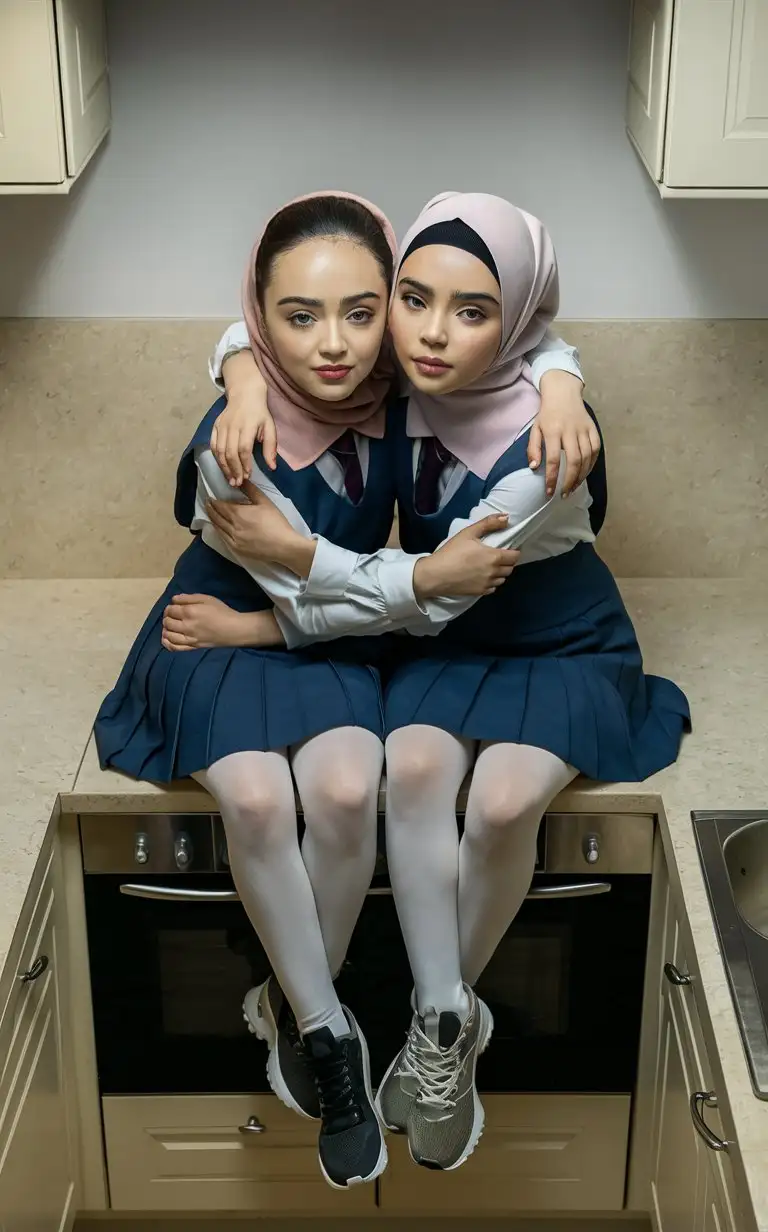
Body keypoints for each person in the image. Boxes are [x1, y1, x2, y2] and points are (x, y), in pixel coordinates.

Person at [173, 193, 689, 1177]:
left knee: (498, 804)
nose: (431, 331)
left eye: (473, 311)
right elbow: (287, 313)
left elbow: (434, 596)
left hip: (550, 639)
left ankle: (441, 1018)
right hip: (424, 635)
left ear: (520, 317)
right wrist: (240, 373)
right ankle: (348, 1014)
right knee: (406, 767)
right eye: (414, 301)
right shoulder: (389, 385)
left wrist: (565, 382)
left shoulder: (552, 430)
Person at [95, 192, 523, 1191]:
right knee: (254, 796)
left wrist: (558, 392)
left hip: (329, 634)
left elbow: (529, 343)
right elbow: (324, 586)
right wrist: (412, 582)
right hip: (217, 634)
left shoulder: (413, 401)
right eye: (296, 318)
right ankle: (328, 1034)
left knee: (342, 788)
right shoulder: (227, 445)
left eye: (361, 311)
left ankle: (288, 999)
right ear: (262, 312)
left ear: (392, 306)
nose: (332, 344)